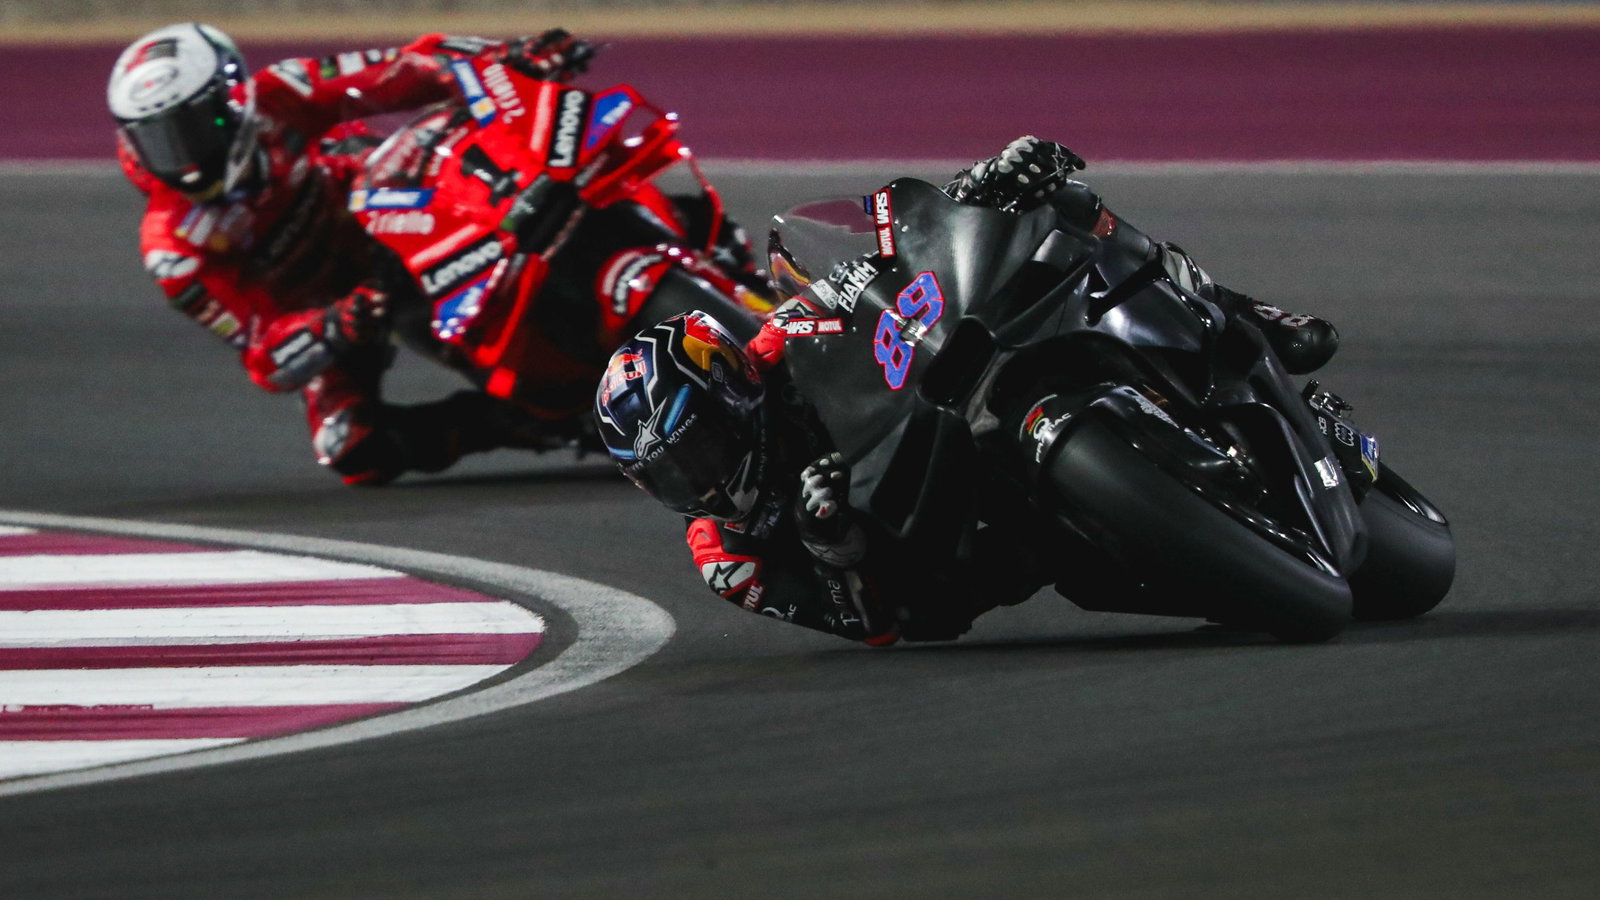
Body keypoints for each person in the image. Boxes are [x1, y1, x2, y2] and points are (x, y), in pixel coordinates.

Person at [592, 137, 1344, 645]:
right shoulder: (727, 556)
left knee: (1067, 206)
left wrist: (974, 194)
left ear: (730, 390)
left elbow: (869, 274)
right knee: (1062, 578)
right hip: (950, 555)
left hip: (940, 412)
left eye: (697, 449)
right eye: (671, 477)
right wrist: (834, 544)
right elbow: (877, 627)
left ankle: (1243, 311)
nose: (701, 480)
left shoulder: (773, 346)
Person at [110, 23, 599, 484]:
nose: (185, 160)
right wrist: (336, 323)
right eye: (159, 140)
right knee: (351, 448)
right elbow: (264, 354)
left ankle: (606, 218)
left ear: (233, 101)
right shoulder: (173, 249)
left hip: (388, 205)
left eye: (192, 128)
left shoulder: (282, 91)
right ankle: (533, 421)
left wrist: (506, 60)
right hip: (339, 307)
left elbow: (401, 70)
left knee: (483, 149)